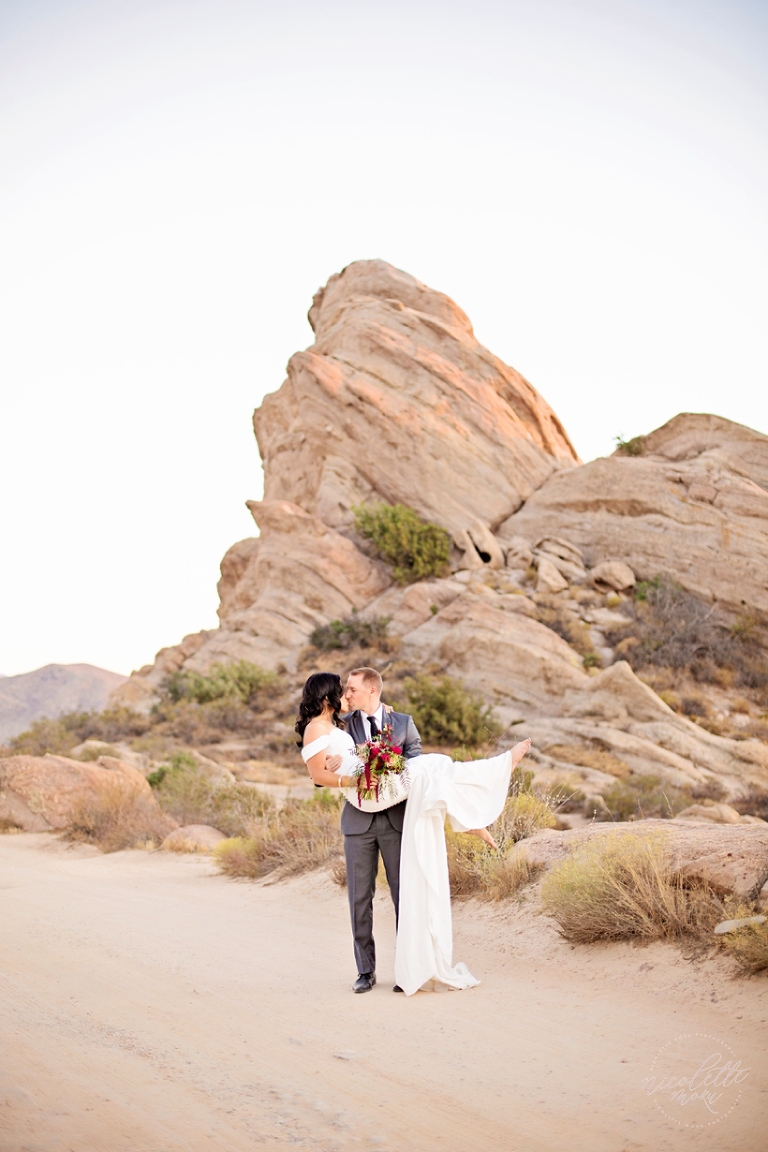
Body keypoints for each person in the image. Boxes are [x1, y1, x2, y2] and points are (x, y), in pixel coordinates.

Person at [296, 669, 531, 997]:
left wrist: (366, 759)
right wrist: (348, 770)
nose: (346, 696)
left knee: (403, 894)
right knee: (359, 900)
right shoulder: (341, 723)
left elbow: (410, 759)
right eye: (342, 692)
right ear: (328, 698)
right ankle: (365, 971)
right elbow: (319, 771)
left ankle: (407, 968)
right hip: (359, 818)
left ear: (373, 691)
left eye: (351, 690)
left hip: (394, 815)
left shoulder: (401, 722)